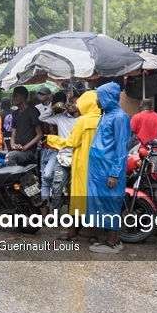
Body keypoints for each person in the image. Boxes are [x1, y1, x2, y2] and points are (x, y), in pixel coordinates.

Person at [46, 91, 101, 240]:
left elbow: (72, 142)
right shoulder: (103, 120)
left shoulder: (84, 121)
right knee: (94, 199)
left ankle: (72, 233)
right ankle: (94, 235)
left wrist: (51, 140)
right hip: (98, 166)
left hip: (81, 165)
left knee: (76, 198)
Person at [88, 82, 132, 253]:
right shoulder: (105, 115)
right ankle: (113, 240)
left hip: (108, 169)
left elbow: (121, 147)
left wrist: (114, 173)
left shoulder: (120, 117)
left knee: (110, 203)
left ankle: (111, 243)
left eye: (99, 97)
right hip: (99, 169)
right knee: (102, 203)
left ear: (107, 97)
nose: (97, 101)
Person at [39, 92, 78, 213]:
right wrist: (52, 108)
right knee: (56, 188)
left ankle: (73, 217)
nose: (69, 105)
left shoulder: (84, 120)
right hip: (62, 157)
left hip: (78, 157)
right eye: (69, 102)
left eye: (73, 103)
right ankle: (55, 215)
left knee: (75, 190)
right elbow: (42, 118)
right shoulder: (61, 117)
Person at [6, 86, 43, 167]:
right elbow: (13, 135)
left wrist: (25, 147)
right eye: (13, 96)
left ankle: (15, 179)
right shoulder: (15, 113)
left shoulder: (33, 112)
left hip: (29, 151)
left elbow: (39, 134)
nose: (13, 98)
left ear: (23, 97)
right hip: (17, 149)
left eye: (15, 96)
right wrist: (13, 145)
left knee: (10, 156)